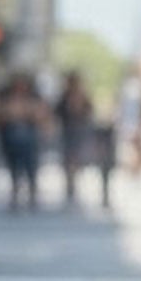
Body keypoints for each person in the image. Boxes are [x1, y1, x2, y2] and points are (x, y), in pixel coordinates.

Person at [0, 72, 47, 212]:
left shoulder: (33, 98)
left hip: (30, 138)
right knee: (14, 167)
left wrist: (23, 112)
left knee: (31, 167)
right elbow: (2, 116)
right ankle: (15, 194)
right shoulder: (6, 98)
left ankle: (32, 195)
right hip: (11, 137)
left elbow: (39, 115)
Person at [56, 70, 96, 208]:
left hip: (79, 132)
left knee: (76, 161)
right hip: (68, 132)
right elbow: (58, 113)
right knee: (69, 161)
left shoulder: (83, 96)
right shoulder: (64, 97)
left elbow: (90, 111)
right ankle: (70, 187)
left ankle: (73, 186)